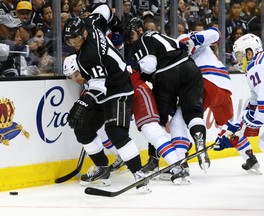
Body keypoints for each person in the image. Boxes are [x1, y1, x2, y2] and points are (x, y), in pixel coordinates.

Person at [63, 4, 151, 193]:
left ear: (84, 34)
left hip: (117, 88)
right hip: (105, 88)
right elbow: (103, 8)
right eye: (69, 41)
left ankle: (139, 175)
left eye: (76, 40)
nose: (74, 44)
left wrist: (81, 103)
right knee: (83, 129)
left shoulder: (89, 55)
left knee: (116, 132)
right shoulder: (91, 22)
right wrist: (116, 24)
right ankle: (102, 169)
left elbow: (98, 87)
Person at [129, 24, 210, 172]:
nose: (130, 37)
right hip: (190, 68)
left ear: (139, 30)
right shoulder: (163, 36)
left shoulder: (144, 39)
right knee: (193, 113)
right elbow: (184, 48)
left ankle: (154, 159)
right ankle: (199, 141)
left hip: (166, 74)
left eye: (131, 33)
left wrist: (140, 73)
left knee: (158, 121)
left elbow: (150, 66)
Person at [215, 33, 263, 174]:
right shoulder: (256, 66)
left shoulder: (257, 67)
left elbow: (262, 109)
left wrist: (242, 126)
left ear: (249, 53)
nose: (238, 60)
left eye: (240, 55)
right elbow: (254, 104)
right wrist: (236, 126)